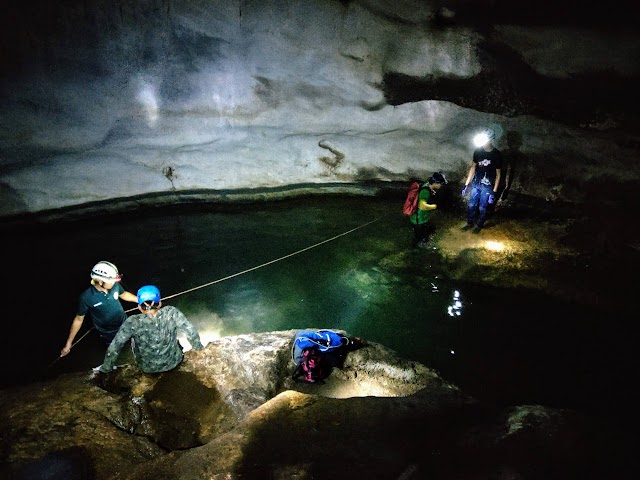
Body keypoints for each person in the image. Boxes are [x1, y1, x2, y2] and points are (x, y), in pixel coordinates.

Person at [98, 285, 204, 374]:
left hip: (148, 368)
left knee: (133, 340)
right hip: (173, 363)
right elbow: (190, 331)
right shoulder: (171, 312)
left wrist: (106, 367)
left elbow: (115, 346)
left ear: (139, 307)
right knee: (177, 341)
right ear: (160, 303)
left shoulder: (133, 321)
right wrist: (198, 348)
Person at [60, 261, 138, 357]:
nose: (114, 282)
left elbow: (124, 294)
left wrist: (140, 300)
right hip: (108, 332)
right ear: (100, 282)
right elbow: (78, 319)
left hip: (124, 322)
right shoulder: (86, 297)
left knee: (132, 338)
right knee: (115, 349)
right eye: (111, 280)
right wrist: (68, 343)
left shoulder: (115, 285)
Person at [461, 128, 502, 233]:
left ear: (491, 139)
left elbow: (498, 174)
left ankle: (479, 225)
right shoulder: (478, 151)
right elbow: (473, 168)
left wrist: (494, 191)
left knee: (483, 207)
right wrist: (466, 184)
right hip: (476, 183)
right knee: (471, 205)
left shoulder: (496, 154)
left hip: (488, 186)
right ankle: (469, 223)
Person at [409, 172, 448, 247]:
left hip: (419, 218)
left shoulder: (427, 185)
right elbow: (422, 206)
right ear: (435, 183)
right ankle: (416, 249)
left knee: (427, 232)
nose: (441, 186)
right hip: (418, 220)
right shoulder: (425, 192)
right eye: (441, 184)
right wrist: (433, 206)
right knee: (421, 239)